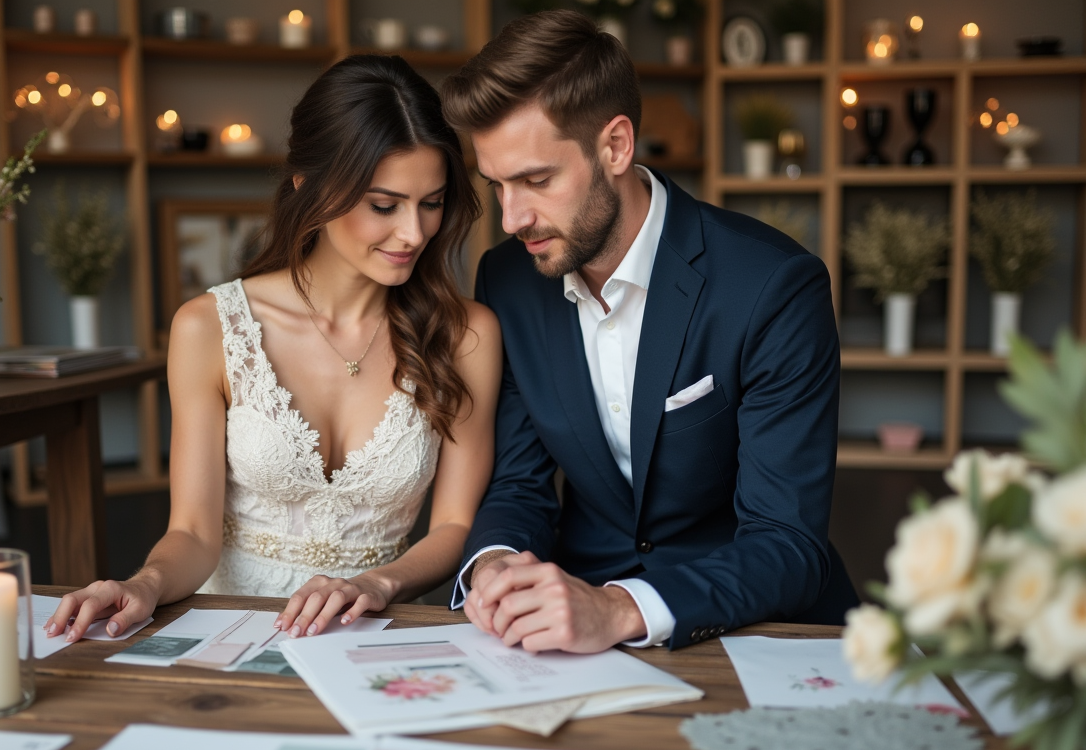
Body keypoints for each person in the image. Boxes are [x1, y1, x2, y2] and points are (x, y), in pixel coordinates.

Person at [439, 10, 858, 654]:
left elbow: (787, 541)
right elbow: (520, 483)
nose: (512, 218)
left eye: (536, 180)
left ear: (616, 146)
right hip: (571, 631)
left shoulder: (773, 286)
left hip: (755, 624)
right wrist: (495, 564)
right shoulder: (509, 280)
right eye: (496, 185)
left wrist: (619, 608)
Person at [47, 55, 501, 643]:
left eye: (432, 203)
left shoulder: (466, 336)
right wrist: (146, 584)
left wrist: (377, 584)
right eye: (384, 205)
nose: (414, 233)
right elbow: (193, 532)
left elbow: (455, 526)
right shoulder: (209, 328)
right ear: (309, 187)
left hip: (372, 634)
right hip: (232, 633)